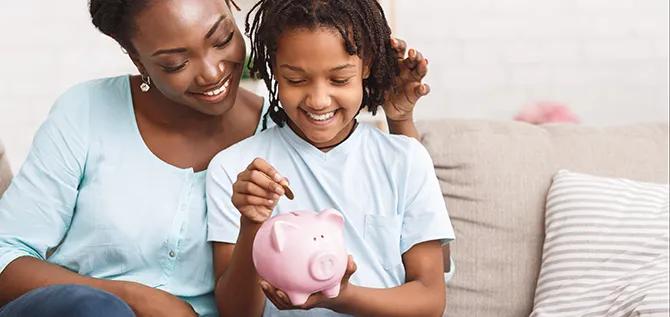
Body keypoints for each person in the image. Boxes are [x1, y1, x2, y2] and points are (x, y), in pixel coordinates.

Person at [0, 0, 431, 316]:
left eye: (222, 38)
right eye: (174, 62)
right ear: (137, 59)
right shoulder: (86, 112)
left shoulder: (285, 134)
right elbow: (6, 259)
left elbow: (386, 220)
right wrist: (135, 298)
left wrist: (399, 118)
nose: (211, 72)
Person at [206, 0, 455, 316]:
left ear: (366, 66)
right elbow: (236, 313)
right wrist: (251, 222)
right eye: (296, 80)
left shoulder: (405, 159)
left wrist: (340, 296)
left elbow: (430, 301)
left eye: (339, 79)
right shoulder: (236, 170)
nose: (318, 100)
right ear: (273, 67)